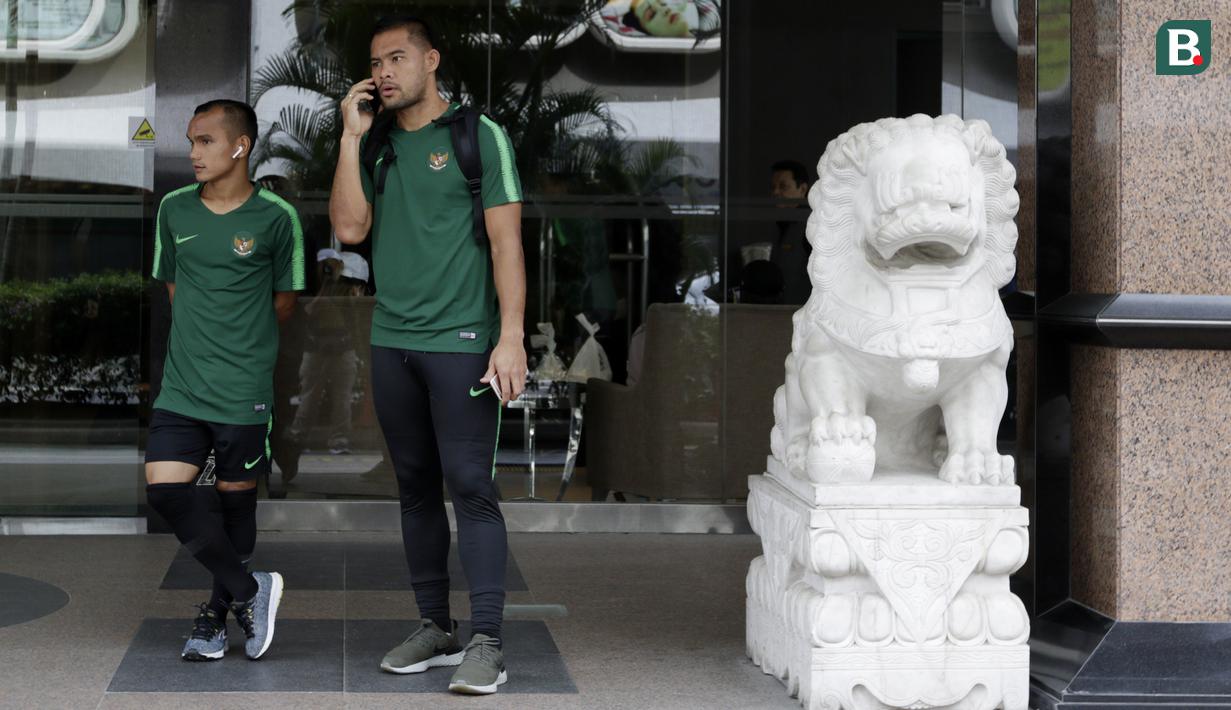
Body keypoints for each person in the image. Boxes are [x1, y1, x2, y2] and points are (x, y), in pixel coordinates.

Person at [328, 15, 527, 695]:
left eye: (397, 59)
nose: (383, 73)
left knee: (469, 485)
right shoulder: (376, 144)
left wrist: (510, 335)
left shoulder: (478, 135)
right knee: (413, 487)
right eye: (375, 62)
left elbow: (506, 245)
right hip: (393, 340)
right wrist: (351, 137)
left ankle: (489, 642)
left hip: (463, 341)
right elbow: (350, 228)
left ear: (431, 61)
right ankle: (434, 626)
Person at [147, 99, 304, 661]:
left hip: (242, 388)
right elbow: (173, 285)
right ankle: (248, 590)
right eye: (191, 141)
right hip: (182, 386)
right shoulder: (174, 209)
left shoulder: (276, 218)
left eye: (205, 141)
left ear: (240, 146)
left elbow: (285, 301)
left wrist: (238, 339)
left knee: (235, 503)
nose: (193, 153)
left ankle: (215, 619)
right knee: (166, 491)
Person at [285, 249, 368, 468]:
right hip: (316, 347)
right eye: (325, 265)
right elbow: (309, 311)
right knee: (309, 396)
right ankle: (296, 439)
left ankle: (339, 439)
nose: (328, 269)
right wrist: (325, 286)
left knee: (342, 397)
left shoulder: (346, 286)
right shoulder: (310, 287)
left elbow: (355, 315)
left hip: (343, 345)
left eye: (332, 265)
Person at [769, 159, 813, 304]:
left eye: (783, 186)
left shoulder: (812, 227)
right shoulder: (782, 224)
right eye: (773, 187)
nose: (775, 192)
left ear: (802, 189)